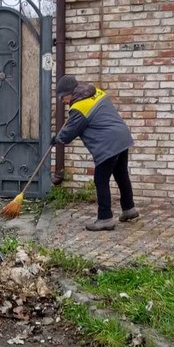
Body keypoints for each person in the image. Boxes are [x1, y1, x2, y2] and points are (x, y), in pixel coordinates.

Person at [53, 74, 139, 231]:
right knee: (121, 174)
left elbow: (68, 134)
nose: (63, 102)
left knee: (101, 179)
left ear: (70, 93)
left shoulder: (79, 108)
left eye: (63, 98)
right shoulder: (95, 92)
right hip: (122, 137)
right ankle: (129, 209)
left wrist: (57, 138)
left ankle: (105, 218)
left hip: (108, 143)